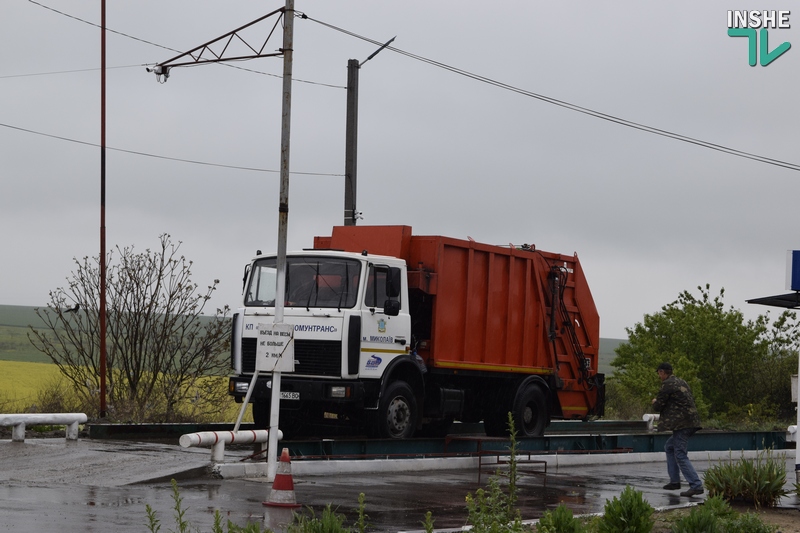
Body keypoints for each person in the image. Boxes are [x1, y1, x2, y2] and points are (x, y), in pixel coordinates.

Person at [652, 362, 704, 497]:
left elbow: (658, 406)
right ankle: (674, 481)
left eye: (659, 373)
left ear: (662, 372)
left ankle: (696, 485)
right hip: (691, 421)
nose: (659, 376)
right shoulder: (681, 381)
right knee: (670, 447)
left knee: (680, 453)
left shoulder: (667, 384)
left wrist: (654, 402)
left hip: (682, 424)